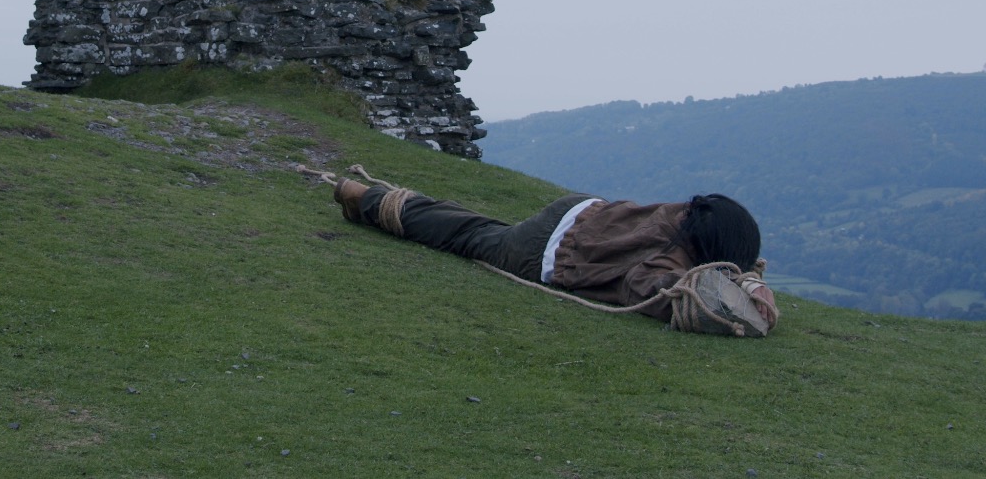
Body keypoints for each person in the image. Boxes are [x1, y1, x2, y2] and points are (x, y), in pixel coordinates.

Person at [322, 168, 779, 332]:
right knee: (468, 236)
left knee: (482, 228)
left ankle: (378, 198)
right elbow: (651, 286)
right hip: (547, 250)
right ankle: (368, 199)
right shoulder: (674, 256)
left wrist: (747, 284)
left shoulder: (695, 214)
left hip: (583, 210)